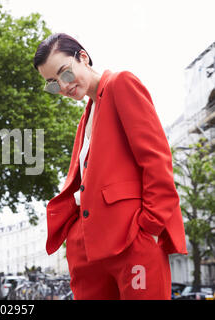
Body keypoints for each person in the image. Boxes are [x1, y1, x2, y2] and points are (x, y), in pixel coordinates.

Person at [33, 33, 187, 300]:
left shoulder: (120, 84)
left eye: (65, 74)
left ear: (83, 57)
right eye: (53, 84)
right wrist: (75, 236)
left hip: (131, 238)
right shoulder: (86, 116)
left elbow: (156, 159)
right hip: (87, 248)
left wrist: (149, 226)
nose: (63, 86)